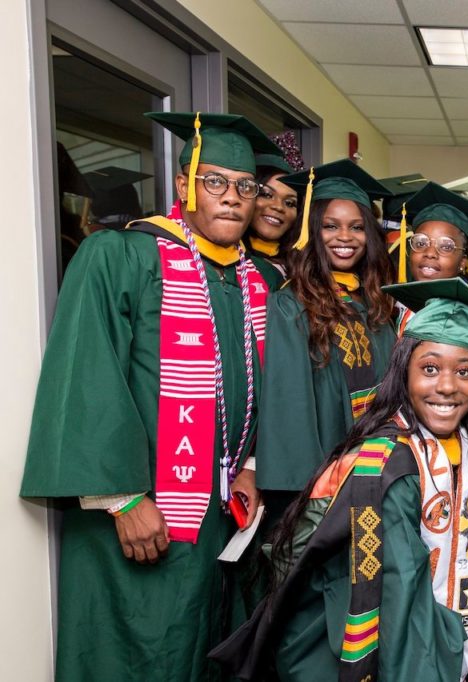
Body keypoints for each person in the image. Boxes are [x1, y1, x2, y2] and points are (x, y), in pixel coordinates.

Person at [20, 111, 279, 681]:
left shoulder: (258, 281)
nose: (232, 198)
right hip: (143, 519)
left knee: (209, 649)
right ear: (184, 186)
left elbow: (269, 391)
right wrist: (123, 498)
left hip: (223, 519)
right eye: (214, 181)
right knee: (142, 654)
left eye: (245, 187)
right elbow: (88, 376)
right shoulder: (121, 257)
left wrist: (255, 464)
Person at [212, 277, 468, 682]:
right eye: (429, 368)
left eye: (464, 371)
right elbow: (400, 597)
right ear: (402, 372)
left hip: (444, 646)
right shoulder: (385, 463)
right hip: (389, 654)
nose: (447, 386)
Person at [255, 159, 396, 495]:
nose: (344, 237)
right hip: (323, 483)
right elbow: (289, 406)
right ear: (311, 230)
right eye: (330, 226)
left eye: (357, 227)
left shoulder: (375, 302)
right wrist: (311, 490)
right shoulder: (292, 303)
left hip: (380, 469)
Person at [388, 181, 468, 333]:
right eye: (420, 242)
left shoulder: (462, 321)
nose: (430, 253)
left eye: (446, 246)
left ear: (463, 261)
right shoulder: (399, 306)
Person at [244, 150, 300, 280]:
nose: (278, 207)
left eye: (290, 203)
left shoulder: (302, 267)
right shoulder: (229, 261)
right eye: (267, 195)